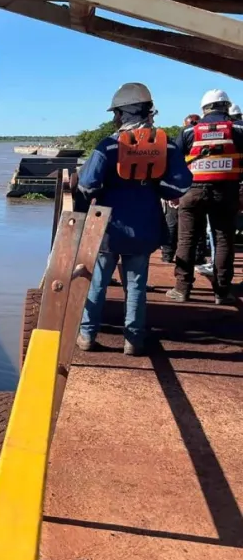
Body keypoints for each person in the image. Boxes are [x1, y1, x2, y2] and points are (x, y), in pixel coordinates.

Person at [74, 83, 192, 356]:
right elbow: (180, 185)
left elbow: (88, 184)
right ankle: (133, 341)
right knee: (136, 283)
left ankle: (87, 336)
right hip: (145, 223)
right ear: (148, 111)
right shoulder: (165, 146)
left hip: (108, 225)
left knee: (98, 282)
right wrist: (154, 188)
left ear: (121, 114)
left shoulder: (109, 144)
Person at [168, 89, 243, 305]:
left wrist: (175, 191)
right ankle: (221, 292)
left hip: (192, 192)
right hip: (226, 192)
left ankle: (182, 289)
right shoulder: (238, 129)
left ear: (204, 109)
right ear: (226, 106)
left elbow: (174, 161)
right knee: (223, 240)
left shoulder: (188, 131)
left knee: (186, 239)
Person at [162, 115, 203, 262]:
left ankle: (168, 255)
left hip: (184, 188)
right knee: (195, 226)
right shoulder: (204, 141)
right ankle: (197, 257)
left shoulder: (181, 140)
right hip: (196, 187)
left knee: (174, 224)